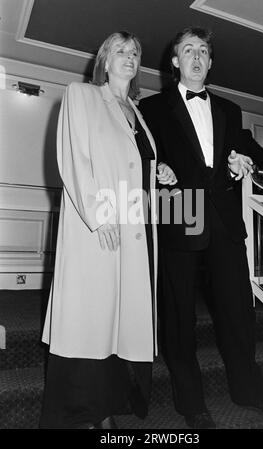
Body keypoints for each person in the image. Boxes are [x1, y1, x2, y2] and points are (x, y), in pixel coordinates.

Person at [139, 26, 263, 429]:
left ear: (210, 62)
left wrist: (244, 160)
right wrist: (157, 170)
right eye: (188, 50)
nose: (196, 56)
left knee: (238, 314)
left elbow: (243, 149)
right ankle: (192, 405)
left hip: (224, 220)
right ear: (174, 62)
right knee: (179, 318)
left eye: (203, 51)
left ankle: (253, 393)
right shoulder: (152, 108)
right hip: (181, 211)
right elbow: (139, 156)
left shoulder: (230, 109)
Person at [39, 31, 176, 429]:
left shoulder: (138, 112)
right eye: (120, 50)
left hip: (134, 232)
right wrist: (99, 216)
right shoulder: (81, 95)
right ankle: (81, 413)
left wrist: (159, 172)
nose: (129, 57)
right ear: (104, 58)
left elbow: (132, 166)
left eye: (135, 52)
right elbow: (75, 158)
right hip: (96, 228)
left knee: (119, 321)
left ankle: (108, 405)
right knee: (90, 320)